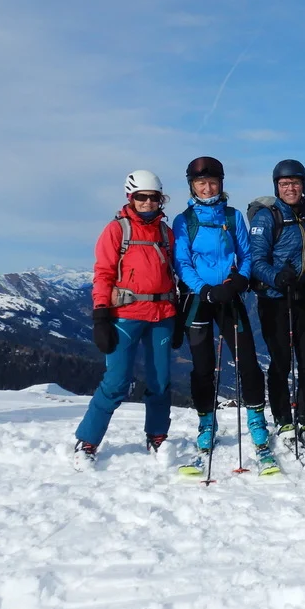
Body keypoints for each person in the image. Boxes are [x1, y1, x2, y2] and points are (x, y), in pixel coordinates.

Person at [74, 170, 178, 470]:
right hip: (126, 314)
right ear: (130, 197)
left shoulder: (165, 233)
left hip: (162, 314)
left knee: (160, 381)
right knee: (116, 382)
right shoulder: (117, 230)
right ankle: (87, 440)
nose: (148, 202)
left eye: (154, 197)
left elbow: (174, 273)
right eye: (141, 197)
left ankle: (157, 436)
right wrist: (100, 316)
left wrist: (179, 315)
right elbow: (103, 273)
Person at [172, 156, 270, 469]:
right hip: (198, 299)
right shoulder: (184, 220)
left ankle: (256, 418)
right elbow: (181, 262)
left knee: (248, 360)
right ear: (192, 186)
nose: (207, 188)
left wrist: (239, 280)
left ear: (221, 184)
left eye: (212, 182)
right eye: (201, 183)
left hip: (229, 296)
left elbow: (246, 254)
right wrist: (204, 289)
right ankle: (206, 422)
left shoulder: (233, 216)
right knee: (202, 367)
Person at [248, 159, 305, 450]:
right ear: (277, 187)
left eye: (295, 183)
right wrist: (276, 277)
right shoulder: (266, 218)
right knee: (281, 362)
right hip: (275, 300)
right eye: (284, 184)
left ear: (303, 185)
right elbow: (256, 260)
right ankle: (283, 419)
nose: (290, 188)